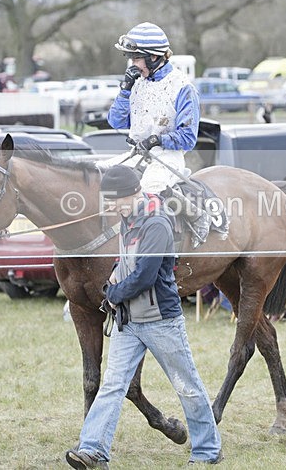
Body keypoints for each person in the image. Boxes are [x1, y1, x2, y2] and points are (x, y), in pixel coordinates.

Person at [65, 165, 222, 469]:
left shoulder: (157, 223)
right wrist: (112, 275)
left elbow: (145, 276)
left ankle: (207, 450)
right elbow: (127, 261)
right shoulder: (129, 218)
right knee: (112, 385)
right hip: (129, 322)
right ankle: (93, 450)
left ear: (131, 194)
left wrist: (112, 294)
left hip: (160, 321)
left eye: (112, 200)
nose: (109, 207)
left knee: (186, 385)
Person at [97, 22, 211, 245]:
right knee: (98, 173)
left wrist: (157, 139)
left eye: (137, 58)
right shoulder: (137, 83)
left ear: (155, 57)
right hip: (136, 154)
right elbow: (115, 120)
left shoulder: (182, 86)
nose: (133, 65)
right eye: (131, 59)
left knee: (149, 189)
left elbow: (188, 138)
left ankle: (195, 217)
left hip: (167, 156)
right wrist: (125, 90)